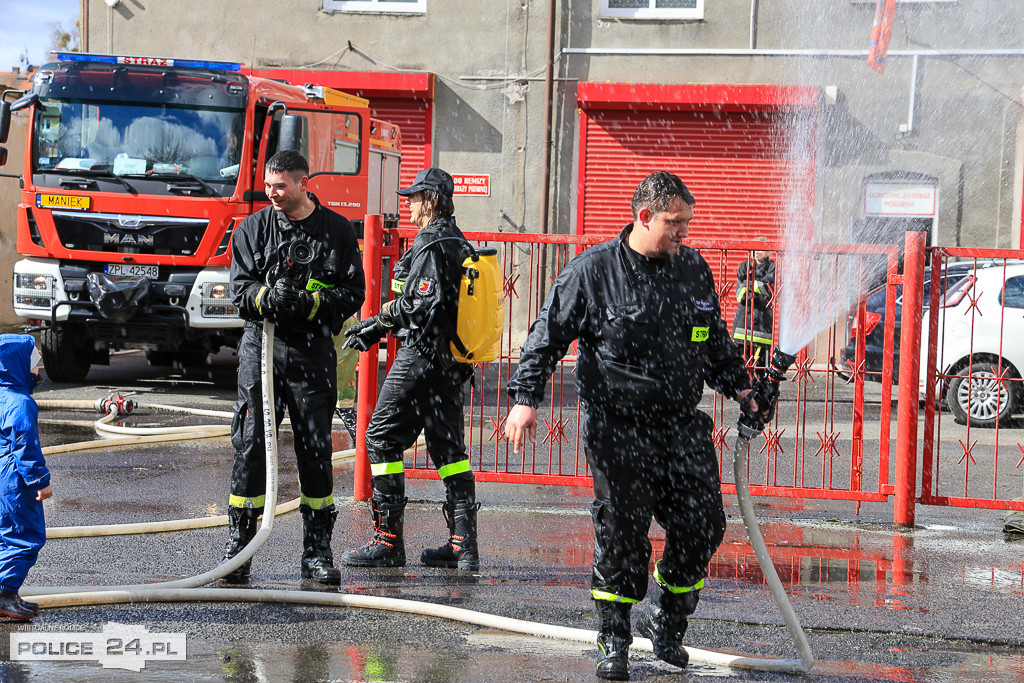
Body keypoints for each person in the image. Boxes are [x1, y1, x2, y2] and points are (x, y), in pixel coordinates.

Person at [504, 171, 763, 680]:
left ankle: (667, 618)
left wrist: (742, 386)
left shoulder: (693, 269)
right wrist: (524, 398)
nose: (684, 232)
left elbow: (711, 341)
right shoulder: (593, 271)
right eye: (675, 222)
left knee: (703, 526)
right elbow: (546, 334)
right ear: (643, 216)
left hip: (680, 426)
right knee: (623, 532)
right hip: (617, 425)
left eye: (688, 222)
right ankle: (615, 638)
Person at [225, 149, 365, 586]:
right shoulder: (252, 228)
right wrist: (266, 298)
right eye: (268, 185)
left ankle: (317, 552)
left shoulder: (336, 231)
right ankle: (240, 548)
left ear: (304, 183)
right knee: (251, 445)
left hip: (310, 353)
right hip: (260, 349)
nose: (272, 193)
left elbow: (353, 293)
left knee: (314, 450)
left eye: (281, 186)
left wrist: (309, 303)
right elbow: (238, 288)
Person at [340, 167, 479, 571]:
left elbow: (420, 303)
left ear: (432, 201)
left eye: (415, 198)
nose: (409, 205)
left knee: (381, 436)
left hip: (423, 357)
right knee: (449, 450)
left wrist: (377, 323)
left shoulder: (432, 242)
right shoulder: (456, 240)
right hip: (450, 362)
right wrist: (379, 326)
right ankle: (462, 545)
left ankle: (387, 541)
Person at [0, 335, 53, 620]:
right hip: (13, 479)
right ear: (17, 365)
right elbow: (25, 446)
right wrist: (40, 482)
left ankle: (9, 592)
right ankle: (4, 594)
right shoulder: (20, 403)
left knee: (5, 535)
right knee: (25, 537)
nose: (37, 372)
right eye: (34, 366)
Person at [732, 236, 776, 375]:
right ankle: (742, 390)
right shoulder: (744, 266)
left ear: (767, 251)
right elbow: (740, 295)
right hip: (743, 323)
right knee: (739, 363)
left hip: (763, 323)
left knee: (761, 366)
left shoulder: (772, 267)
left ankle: (760, 391)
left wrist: (749, 285)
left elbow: (770, 288)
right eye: (755, 248)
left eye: (761, 249)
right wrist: (758, 291)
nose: (757, 252)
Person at [333, 315, 360, 444]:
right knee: (346, 412)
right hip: (345, 374)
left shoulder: (328, 315)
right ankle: (361, 444)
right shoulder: (353, 321)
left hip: (327, 372)